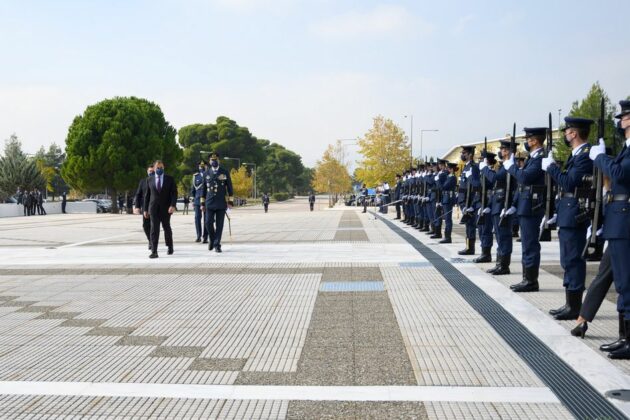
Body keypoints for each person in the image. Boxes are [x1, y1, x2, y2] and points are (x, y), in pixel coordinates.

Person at [588, 99, 630, 359]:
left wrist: (602, 157)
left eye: (625, 117)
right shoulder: (626, 149)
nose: (621, 121)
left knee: (627, 282)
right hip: (618, 220)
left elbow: (622, 176)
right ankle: (624, 337)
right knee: (623, 284)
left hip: (625, 221)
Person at [542, 117, 594, 320]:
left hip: (575, 214)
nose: (565, 135)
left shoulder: (585, 156)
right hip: (567, 212)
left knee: (573, 259)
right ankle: (569, 303)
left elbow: (569, 183)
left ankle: (574, 307)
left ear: (573, 133)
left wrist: (552, 167)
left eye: (566, 132)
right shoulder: (576, 156)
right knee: (567, 259)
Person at [504, 127, 547, 292]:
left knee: (530, 244)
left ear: (535, 140)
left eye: (528, 140)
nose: (526, 143)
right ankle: (526, 278)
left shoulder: (540, 158)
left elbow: (525, 178)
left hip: (531, 207)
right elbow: (522, 184)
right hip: (524, 205)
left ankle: (531, 281)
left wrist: (511, 166)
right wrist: (514, 204)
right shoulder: (532, 158)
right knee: (526, 245)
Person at [483, 140, 517, 275]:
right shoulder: (505, 165)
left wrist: (485, 168)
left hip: (504, 203)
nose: (501, 152)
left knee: (504, 236)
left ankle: (504, 265)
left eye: (503, 150)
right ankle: (499, 263)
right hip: (497, 203)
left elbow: (496, 178)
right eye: (501, 149)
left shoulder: (510, 166)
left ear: (509, 151)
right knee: (498, 235)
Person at [200, 152, 234, 253]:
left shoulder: (224, 172)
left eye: (215, 160)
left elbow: (230, 188)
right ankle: (213, 238)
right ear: (209, 161)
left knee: (220, 225)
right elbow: (203, 190)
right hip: (209, 203)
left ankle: (217, 244)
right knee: (208, 223)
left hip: (221, 203)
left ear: (218, 160)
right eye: (212, 160)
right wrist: (202, 204)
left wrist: (230, 202)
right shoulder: (206, 173)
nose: (214, 161)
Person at [143, 160, 177, 259]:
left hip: (166, 208)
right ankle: (154, 251)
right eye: (157, 167)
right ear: (154, 169)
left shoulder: (169, 179)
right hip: (153, 208)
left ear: (164, 168)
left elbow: (174, 193)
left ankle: (170, 246)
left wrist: (172, 205)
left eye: (161, 167)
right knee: (154, 229)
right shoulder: (149, 179)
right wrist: (145, 209)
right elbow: (147, 196)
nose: (159, 169)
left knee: (166, 227)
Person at [473, 152, 497, 263]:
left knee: (486, 230)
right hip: (480, 204)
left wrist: (488, 205)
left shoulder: (491, 173)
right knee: (481, 229)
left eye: (482, 159)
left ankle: (486, 254)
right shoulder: (482, 173)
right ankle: (483, 252)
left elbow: (493, 192)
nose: (480, 161)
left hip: (487, 204)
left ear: (487, 161)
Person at [458, 146, 480, 255]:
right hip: (464, 202)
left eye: (464, 153)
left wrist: (472, 204)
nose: (462, 155)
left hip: (470, 202)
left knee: (471, 226)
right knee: (468, 226)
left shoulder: (474, 167)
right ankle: (468, 247)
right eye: (462, 153)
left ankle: (470, 248)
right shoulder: (466, 167)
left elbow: (476, 187)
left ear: (470, 154)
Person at [134, 165, 155, 250]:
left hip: (155, 207)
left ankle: (153, 242)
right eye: (150, 171)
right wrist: (137, 207)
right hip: (145, 207)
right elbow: (138, 194)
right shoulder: (143, 181)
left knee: (154, 225)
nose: (151, 172)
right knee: (145, 225)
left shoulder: (158, 181)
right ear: (147, 172)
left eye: (152, 171)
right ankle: (150, 240)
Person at [439, 162, 458, 243]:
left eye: (448, 168)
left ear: (451, 169)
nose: (447, 169)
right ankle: (446, 236)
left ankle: (448, 237)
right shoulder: (449, 177)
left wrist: (438, 180)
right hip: (445, 198)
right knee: (446, 219)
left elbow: (443, 187)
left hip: (448, 199)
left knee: (448, 219)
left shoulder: (452, 177)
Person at [191, 161, 208, 243]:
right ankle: (198, 236)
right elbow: (193, 190)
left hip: (207, 200)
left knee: (207, 219)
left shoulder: (209, 175)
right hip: (197, 200)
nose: (201, 167)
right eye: (200, 166)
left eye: (203, 166)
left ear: (206, 166)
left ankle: (205, 237)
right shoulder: (195, 176)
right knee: (197, 218)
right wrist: (193, 201)